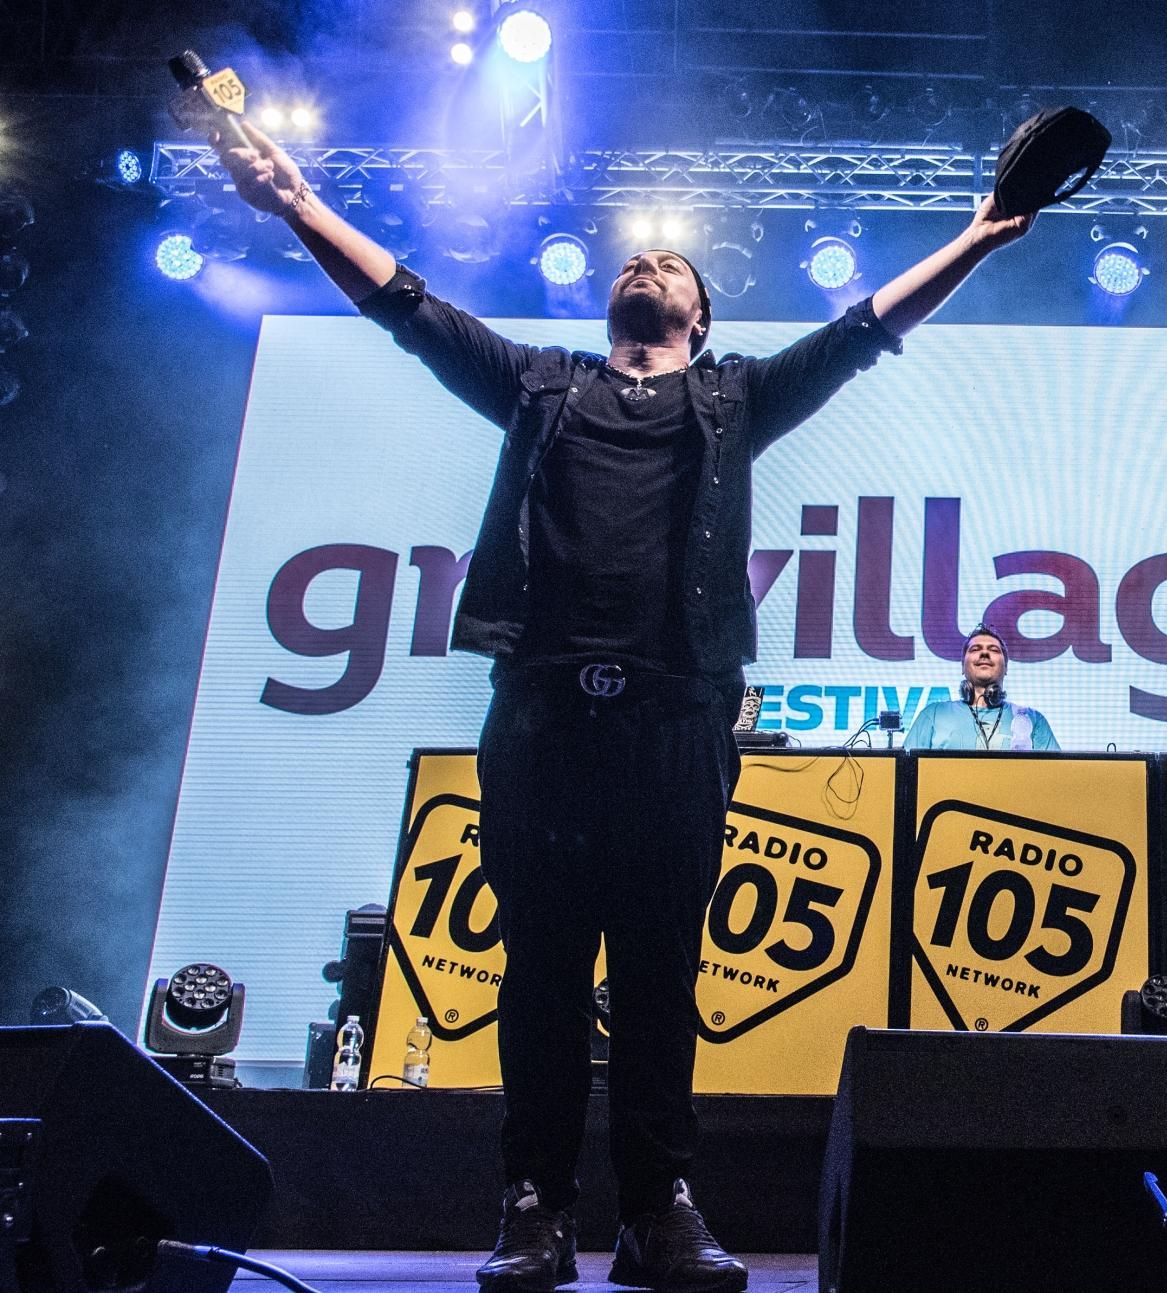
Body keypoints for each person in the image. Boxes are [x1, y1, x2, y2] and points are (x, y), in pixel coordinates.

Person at [211, 119, 1034, 1293]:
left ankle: (657, 1211)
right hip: (543, 716)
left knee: (660, 977)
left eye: (674, 267)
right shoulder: (538, 385)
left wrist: (978, 238)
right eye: (638, 261)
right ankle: (535, 1208)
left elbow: (864, 332)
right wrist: (297, 205)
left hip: (676, 722)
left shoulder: (736, 398)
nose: (649, 263)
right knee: (541, 973)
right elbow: (406, 305)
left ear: (699, 319)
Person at [903, 626, 1060, 751]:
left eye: (994, 650)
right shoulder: (933, 714)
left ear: (1006, 667)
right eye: (975, 649)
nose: (984, 653)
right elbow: (905, 772)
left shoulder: (1032, 719)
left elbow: (1054, 775)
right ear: (962, 667)